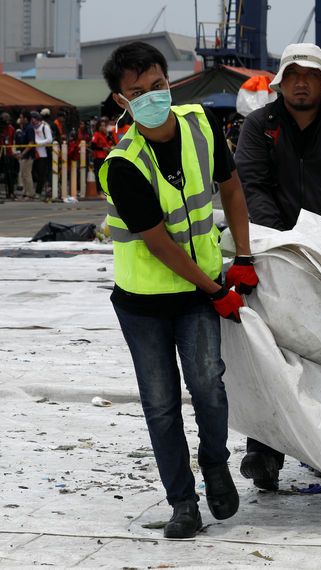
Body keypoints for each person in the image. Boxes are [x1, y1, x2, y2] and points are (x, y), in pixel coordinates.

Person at [98, 41, 255, 539]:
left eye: (158, 86)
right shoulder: (122, 163)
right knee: (161, 404)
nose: (151, 97)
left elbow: (230, 188)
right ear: (122, 102)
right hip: (144, 302)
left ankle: (215, 463)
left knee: (209, 385)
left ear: (171, 82)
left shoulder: (202, 125)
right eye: (137, 92)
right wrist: (216, 289)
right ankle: (182, 502)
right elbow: (159, 243)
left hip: (196, 295)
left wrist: (244, 257)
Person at [235, 42, 321, 490]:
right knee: (271, 354)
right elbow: (250, 184)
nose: (301, 82)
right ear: (281, 81)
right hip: (273, 255)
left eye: (310, 74)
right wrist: (283, 240)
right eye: (293, 73)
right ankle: (264, 451)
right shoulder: (260, 126)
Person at [30, 111, 53, 198]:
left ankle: (38, 192)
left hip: (42, 154)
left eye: (34, 119)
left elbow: (49, 140)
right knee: (33, 173)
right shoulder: (31, 128)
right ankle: (33, 190)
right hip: (33, 153)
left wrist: (38, 143)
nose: (33, 121)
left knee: (41, 174)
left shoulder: (44, 127)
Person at [16, 112, 36, 200]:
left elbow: (31, 143)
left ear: (26, 119)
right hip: (23, 154)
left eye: (21, 118)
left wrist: (23, 153)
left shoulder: (30, 128)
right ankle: (25, 192)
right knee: (23, 174)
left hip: (28, 155)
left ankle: (30, 193)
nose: (20, 120)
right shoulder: (23, 128)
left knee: (27, 174)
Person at [1, 112, 18, 199]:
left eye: (8, 119)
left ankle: (11, 192)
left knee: (9, 174)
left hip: (8, 153)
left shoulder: (11, 128)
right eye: (5, 120)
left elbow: (13, 140)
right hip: (1, 152)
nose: (7, 121)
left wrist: (13, 153)